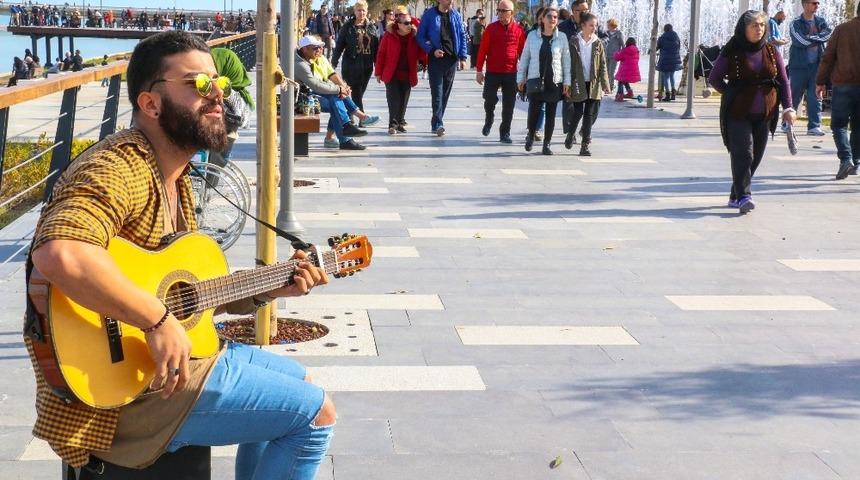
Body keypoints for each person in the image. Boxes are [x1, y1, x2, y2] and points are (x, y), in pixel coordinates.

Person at [24, 30, 334, 479]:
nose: (217, 95)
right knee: (316, 414)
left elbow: (186, 297)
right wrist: (156, 320)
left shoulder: (175, 174)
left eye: (218, 83)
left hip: (163, 365)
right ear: (150, 104)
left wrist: (273, 286)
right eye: (198, 84)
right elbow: (60, 254)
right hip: (123, 395)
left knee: (299, 384)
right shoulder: (119, 168)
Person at [709, 11, 795, 214]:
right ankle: (744, 196)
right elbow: (714, 78)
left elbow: (783, 81)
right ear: (744, 28)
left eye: (762, 25)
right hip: (738, 113)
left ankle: (735, 194)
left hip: (765, 113)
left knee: (756, 156)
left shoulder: (771, 51)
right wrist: (731, 94)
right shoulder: (732, 49)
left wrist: (788, 107)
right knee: (743, 153)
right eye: (754, 25)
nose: (759, 29)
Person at [295, 35, 375, 150]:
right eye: (315, 48)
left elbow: (329, 77)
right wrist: (339, 89)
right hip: (300, 100)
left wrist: (342, 88)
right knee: (336, 99)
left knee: (337, 99)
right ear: (304, 49)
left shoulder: (311, 59)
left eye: (320, 47)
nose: (319, 50)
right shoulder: (300, 64)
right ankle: (347, 131)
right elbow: (315, 85)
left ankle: (347, 130)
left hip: (310, 95)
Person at [517, 3, 571, 155]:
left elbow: (566, 61)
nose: (553, 19)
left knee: (551, 114)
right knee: (533, 111)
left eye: (555, 17)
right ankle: (530, 135)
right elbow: (525, 58)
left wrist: (567, 81)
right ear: (542, 19)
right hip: (535, 79)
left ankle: (547, 144)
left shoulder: (562, 37)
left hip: (554, 81)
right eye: (550, 16)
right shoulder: (532, 36)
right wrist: (521, 78)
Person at [815, 3, 860, 179]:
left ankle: (846, 160)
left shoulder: (842, 29)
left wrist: (820, 82)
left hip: (843, 84)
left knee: (839, 125)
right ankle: (856, 162)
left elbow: (828, 57)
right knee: (858, 126)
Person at [475, 0, 526, 144]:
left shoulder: (518, 30)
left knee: (509, 105)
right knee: (489, 99)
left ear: (512, 13)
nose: (500, 13)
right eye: (499, 10)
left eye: (504, 11)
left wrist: (524, 74)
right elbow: (483, 50)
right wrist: (479, 70)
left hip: (511, 73)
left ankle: (505, 133)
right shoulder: (491, 29)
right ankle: (489, 119)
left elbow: (524, 53)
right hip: (493, 71)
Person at [417, 0, 469, 137]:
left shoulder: (456, 15)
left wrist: (463, 57)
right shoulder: (429, 15)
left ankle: (436, 121)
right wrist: (432, 50)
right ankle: (438, 123)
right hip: (436, 60)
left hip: (451, 60)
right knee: (437, 93)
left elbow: (462, 35)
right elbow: (420, 36)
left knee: (445, 94)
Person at [375, 11, 426, 134]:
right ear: (398, 24)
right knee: (394, 99)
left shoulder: (414, 37)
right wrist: (378, 72)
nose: (409, 25)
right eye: (406, 23)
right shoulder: (389, 35)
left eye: (410, 23)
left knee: (404, 100)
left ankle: (399, 123)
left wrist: (419, 36)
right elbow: (381, 53)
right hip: (391, 73)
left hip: (407, 73)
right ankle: (392, 125)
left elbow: (422, 54)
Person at [566, 12, 609, 156]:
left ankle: (585, 145)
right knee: (578, 111)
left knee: (589, 114)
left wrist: (605, 83)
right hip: (578, 81)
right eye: (591, 25)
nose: (594, 28)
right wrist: (567, 82)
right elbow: (568, 63)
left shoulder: (598, 43)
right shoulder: (573, 42)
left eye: (595, 25)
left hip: (593, 82)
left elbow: (603, 64)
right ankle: (570, 134)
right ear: (583, 25)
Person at [788, 0, 832, 136]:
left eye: (818, 3)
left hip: (816, 66)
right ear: (805, 4)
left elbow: (828, 35)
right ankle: (787, 123)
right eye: (814, 3)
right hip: (798, 66)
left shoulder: (821, 21)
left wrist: (811, 37)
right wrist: (817, 38)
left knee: (815, 97)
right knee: (794, 96)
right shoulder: (795, 23)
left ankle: (814, 126)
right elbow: (800, 41)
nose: (817, 6)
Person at [332, 1, 379, 121]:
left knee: (359, 92)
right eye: (359, 10)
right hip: (351, 64)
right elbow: (339, 46)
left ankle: (349, 112)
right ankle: (363, 118)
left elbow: (376, 48)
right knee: (356, 91)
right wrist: (333, 63)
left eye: (363, 10)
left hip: (367, 65)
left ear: (366, 11)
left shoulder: (371, 27)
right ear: (355, 11)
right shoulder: (347, 26)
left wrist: (378, 66)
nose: (361, 13)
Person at [209, 48, 255, 167]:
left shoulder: (221, 91)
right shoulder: (241, 94)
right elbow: (244, 120)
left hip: (210, 153)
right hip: (221, 151)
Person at [656, 24, 682, 101]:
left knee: (665, 77)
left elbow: (657, 47)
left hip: (665, 60)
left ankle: (667, 94)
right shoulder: (676, 37)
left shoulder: (662, 37)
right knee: (672, 75)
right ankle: (673, 93)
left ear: (665, 29)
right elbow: (679, 47)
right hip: (674, 60)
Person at [613, 37, 641, 101]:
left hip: (625, 69)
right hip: (633, 70)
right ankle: (630, 93)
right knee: (625, 80)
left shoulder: (625, 50)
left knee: (620, 81)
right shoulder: (637, 51)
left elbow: (617, 58)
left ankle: (620, 95)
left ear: (627, 43)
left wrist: (616, 53)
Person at [603, 18, 624, 91]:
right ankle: (606, 87)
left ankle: (611, 87)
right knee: (606, 72)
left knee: (611, 72)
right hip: (606, 55)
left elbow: (623, 44)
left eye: (608, 25)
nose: (607, 26)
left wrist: (622, 54)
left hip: (614, 56)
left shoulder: (619, 33)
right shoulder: (606, 33)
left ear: (613, 25)